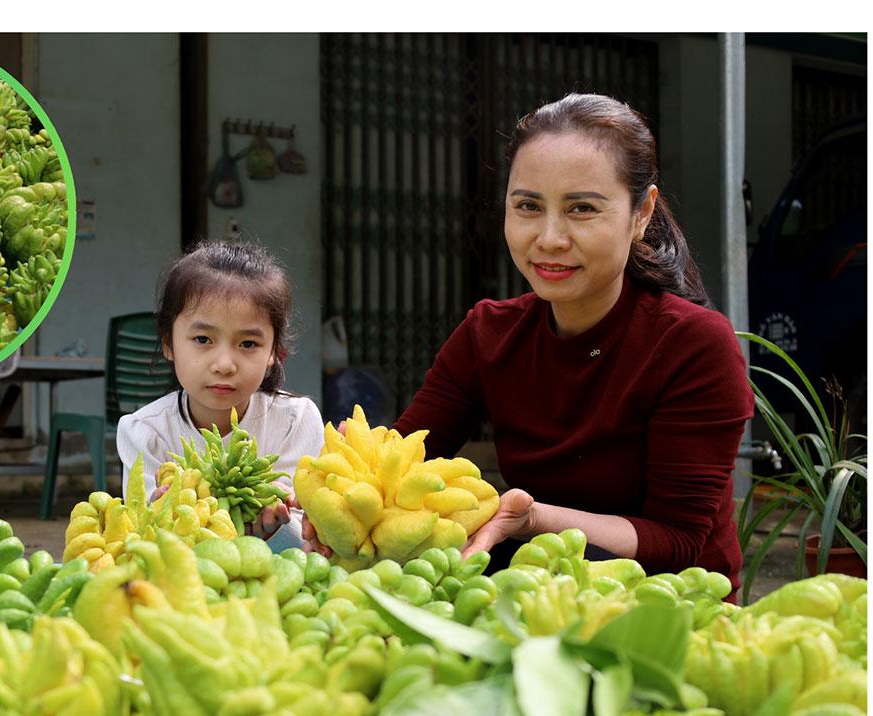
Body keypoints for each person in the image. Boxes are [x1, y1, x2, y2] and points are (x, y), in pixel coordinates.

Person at [303, 93, 754, 591]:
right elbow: (408, 462)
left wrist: (534, 517)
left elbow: (677, 538)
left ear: (641, 213)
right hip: (536, 592)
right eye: (528, 206)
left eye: (582, 208)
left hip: (675, 608)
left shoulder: (693, 344)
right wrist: (345, 501)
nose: (549, 238)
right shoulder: (487, 334)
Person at [116, 240, 325, 541]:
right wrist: (162, 517)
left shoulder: (295, 421)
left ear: (273, 353)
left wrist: (282, 522)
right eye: (203, 339)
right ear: (168, 343)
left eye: (248, 344)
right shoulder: (144, 432)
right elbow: (145, 537)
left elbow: (309, 537)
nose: (224, 365)